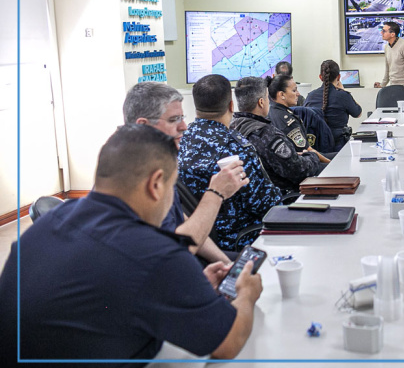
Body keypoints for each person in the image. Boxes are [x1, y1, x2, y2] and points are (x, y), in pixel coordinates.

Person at [0, 125, 263, 363]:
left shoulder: (50, 220)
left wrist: (188, 290)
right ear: (156, 184)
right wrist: (248, 292)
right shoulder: (155, 253)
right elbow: (228, 343)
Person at [123, 82, 244, 264]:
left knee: (245, 264)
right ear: (143, 126)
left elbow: (183, 223)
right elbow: (176, 252)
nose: (184, 126)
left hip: (179, 259)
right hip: (165, 268)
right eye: (174, 120)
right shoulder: (132, 179)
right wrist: (216, 193)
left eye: (182, 117)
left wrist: (227, 263)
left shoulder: (157, 165)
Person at [178, 74, 283, 251]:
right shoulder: (236, 148)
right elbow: (266, 204)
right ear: (231, 105)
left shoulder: (180, 141)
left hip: (198, 238)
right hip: (241, 240)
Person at [231, 76, 321, 194]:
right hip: (283, 199)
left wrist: (291, 156)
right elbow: (298, 171)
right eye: (267, 98)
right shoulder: (267, 135)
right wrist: (312, 156)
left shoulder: (231, 128)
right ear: (261, 102)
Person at [304, 59, 363, 151]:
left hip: (316, 149)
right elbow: (358, 113)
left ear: (320, 77)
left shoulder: (310, 96)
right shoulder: (343, 95)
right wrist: (344, 91)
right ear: (339, 77)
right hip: (339, 148)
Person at [373, 21, 404, 91]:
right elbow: (388, 68)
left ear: (392, 34)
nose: (381, 33)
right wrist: (382, 84)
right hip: (393, 85)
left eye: (384, 31)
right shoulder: (387, 47)